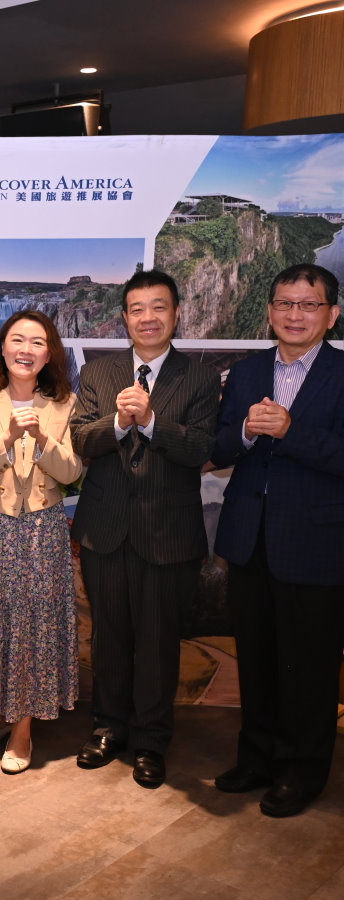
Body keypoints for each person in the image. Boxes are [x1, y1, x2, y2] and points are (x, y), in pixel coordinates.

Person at [70, 269, 219, 789]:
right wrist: (117, 424)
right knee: (109, 635)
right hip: (105, 529)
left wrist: (152, 421)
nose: (148, 317)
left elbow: (202, 449)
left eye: (159, 307)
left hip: (168, 532)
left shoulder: (199, 377)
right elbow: (80, 440)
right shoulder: (99, 373)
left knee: (158, 640)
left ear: (176, 314)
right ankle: (108, 727)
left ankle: (152, 740)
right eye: (137, 309)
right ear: (125, 318)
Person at [211, 263, 344, 818]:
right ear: (269, 312)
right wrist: (245, 431)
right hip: (249, 538)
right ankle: (257, 759)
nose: (295, 314)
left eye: (309, 305)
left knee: (309, 666)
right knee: (258, 658)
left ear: (331, 315)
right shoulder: (246, 372)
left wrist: (292, 432)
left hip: (316, 543)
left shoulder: (341, 373)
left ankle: (302, 771)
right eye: (285, 304)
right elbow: (218, 448)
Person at [0, 311, 83, 774]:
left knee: (32, 626)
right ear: (2, 347)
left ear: (49, 354)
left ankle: (23, 729)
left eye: (37, 342)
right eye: (17, 340)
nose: (26, 350)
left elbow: (71, 472)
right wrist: (6, 438)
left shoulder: (64, 403)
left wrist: (41, 438)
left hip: (42, 529)